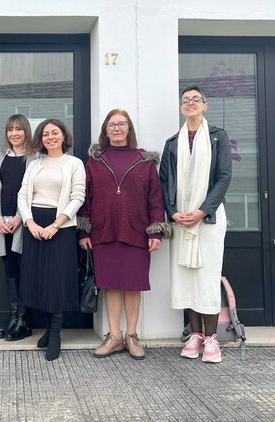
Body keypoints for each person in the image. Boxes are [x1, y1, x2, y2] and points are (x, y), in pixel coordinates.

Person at [77, 109, 169, 360]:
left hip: (136, 231)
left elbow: (155, 199)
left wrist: (156, 232)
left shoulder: (144, 160)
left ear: (129, 128)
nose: (117, 128)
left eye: (121, 124)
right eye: (112, 124)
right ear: (105, 130)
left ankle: (131, 336)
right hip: (103, 232)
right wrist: (84, 231)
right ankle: (115, 336)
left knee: (132, 284)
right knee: (110, 285)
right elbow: (85, 197)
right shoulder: (95, 160)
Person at [160, 86, 232, 363]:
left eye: (195, 99)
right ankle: (195, 335)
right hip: (181, 220)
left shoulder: (217, 137)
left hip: (208, 219)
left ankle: (212, 339)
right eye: (185, 100)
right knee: (186, 277)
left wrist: (202, 210)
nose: (190, 103)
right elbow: (164, 181)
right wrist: (173, 212)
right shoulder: (172, 143)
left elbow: (224, 177)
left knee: (207, 276)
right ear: (181, 107)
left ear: (205, 105)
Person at [17, 118, 86, 361]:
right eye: (46, 134)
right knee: (38, 279)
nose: (50, 137)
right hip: (34, 224)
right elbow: (22, 194)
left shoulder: (74, 163)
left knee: (57, 280)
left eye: (55, 132)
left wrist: (56, 225)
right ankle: (47, 328)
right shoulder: (35, 164)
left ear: (63, 136)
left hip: (61, 225)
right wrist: (29, 222)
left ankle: (55, 332)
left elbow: (78, 197)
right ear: (41, 139)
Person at [0, 114, 39, 341]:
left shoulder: (35, 158)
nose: (14, 133)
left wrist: (19, 217)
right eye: (10, 129)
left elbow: (35, 192)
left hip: (24, 224)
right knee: (10, 272)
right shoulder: (0, 158)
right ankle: (14, 318)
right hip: (2, 226)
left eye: (18, 129)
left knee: (25, 271)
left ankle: (24, 322)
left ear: (26, 131)